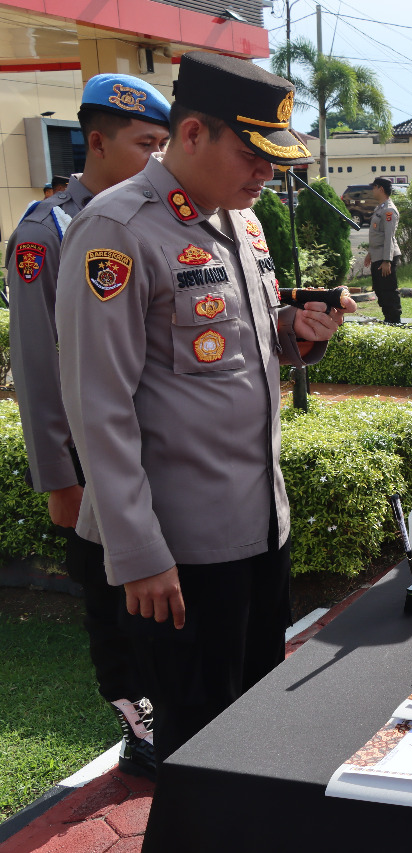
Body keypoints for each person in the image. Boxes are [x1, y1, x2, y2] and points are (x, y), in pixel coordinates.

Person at [55, 51, 355, 763]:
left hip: (257, 529)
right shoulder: (118, 230)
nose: (267, 174)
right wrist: (137, 553)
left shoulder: (241, 225)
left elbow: (233, 344)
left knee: (254, 731)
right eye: (253, 154)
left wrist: (295, 332)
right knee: (197, 748)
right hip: (177, 553)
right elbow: (98, 406)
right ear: (191, 135)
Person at [4, 73, 171, 779]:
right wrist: (59, 477)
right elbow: (39, 367)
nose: (157, 159)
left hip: (151, 458)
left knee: (158, 604)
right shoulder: (50, 231)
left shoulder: (157, 217)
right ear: (96, 143)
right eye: (144, 144)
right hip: (91, 466)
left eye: (164, 144)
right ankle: (139, 727)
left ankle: (172, 710)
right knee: (111, 610)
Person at [364, 176, 402, 323]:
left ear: (380, 188)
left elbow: (389, 237)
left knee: (388, 291)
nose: (372, 190)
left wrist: (387, 260)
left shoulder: (389, 211)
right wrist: (370, 253)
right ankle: (388, 318)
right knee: (380, 290)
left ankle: (394, 320)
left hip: (386, 257)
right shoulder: (380, 208)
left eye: (374, 187)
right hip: (378, 255)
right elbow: (377, 235)